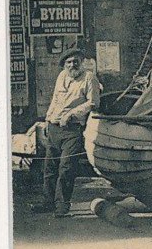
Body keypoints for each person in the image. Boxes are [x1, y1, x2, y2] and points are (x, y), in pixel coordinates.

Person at [31, 47, 100, 217]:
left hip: (72, 131)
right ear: (64, 65)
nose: (72, 65)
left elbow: (93, 103)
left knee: (66, 168)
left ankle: (62, 205)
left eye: (76, 61)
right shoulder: (62, 76)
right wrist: (47, 121)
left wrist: (71, 114)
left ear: (81, 62)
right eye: (68, 62)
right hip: (54, 128)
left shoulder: (89, 78)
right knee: (49, 168)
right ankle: (47, 202)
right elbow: (55, 100)